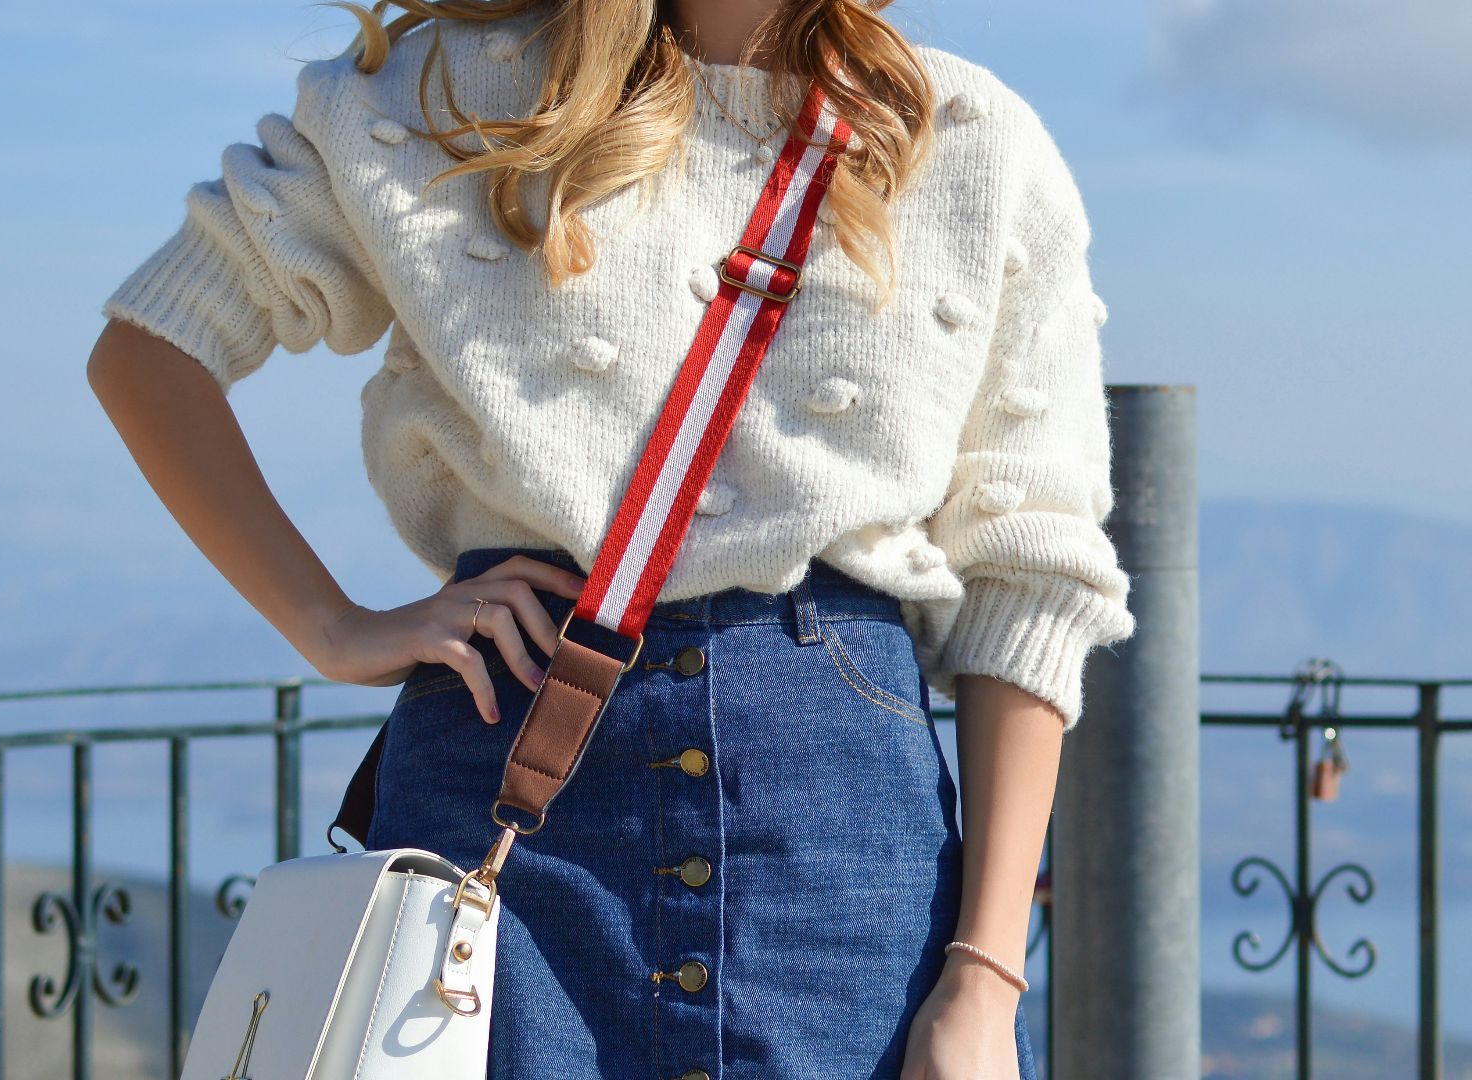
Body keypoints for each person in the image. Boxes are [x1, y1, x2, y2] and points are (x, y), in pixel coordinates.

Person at [86, 0, 1136, 1076]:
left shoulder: (967, 138)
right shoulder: (441, 94)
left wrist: (985, 978)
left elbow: (1030, 578)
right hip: (505, 787)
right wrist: (328, 626)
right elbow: (149, 352)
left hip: (837, 841)